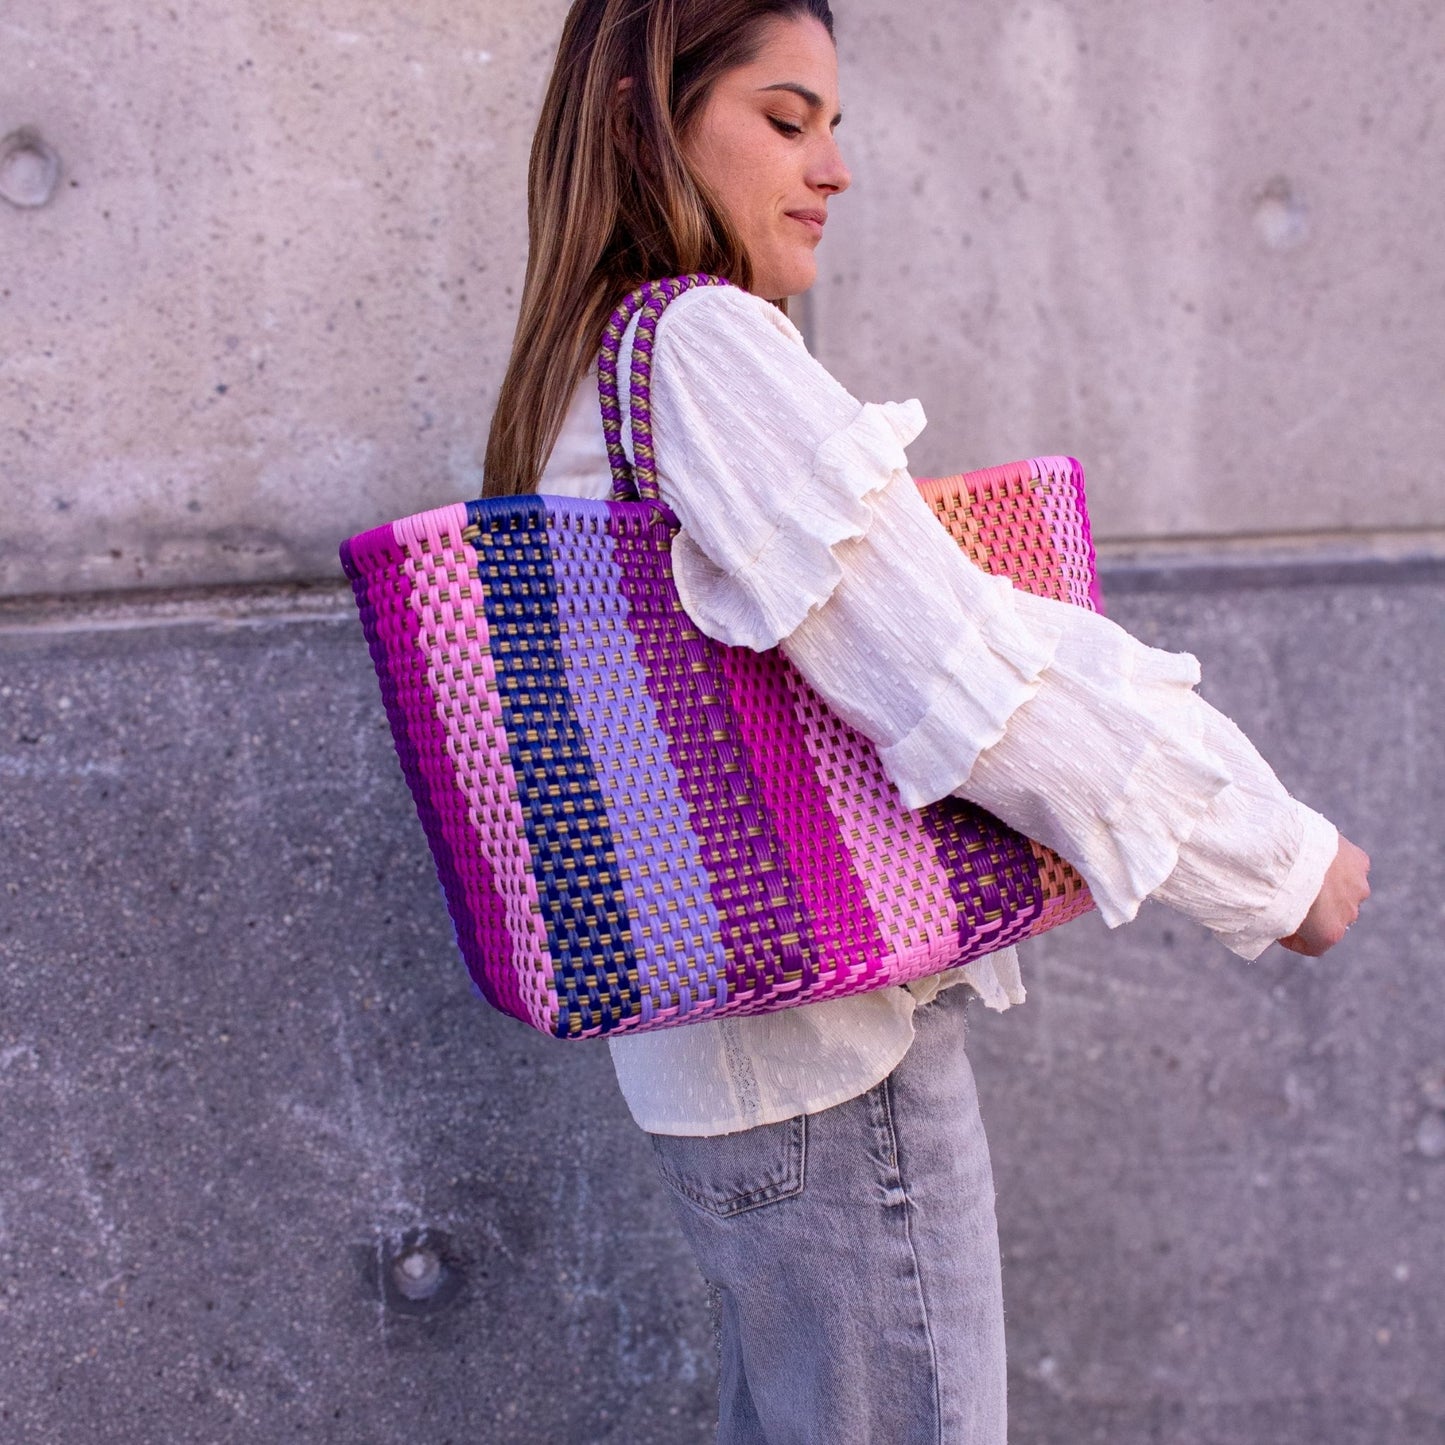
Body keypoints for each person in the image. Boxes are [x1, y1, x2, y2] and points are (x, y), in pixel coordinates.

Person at [482, 2, 1372, 1440]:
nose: (831, 166)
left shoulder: (584, 362)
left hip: (730, 1077)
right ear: (651, 114)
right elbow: (960, 671)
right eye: (785, 120)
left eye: (832, 124)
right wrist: (1265, 862)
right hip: (828, 1073)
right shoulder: (700, 344)